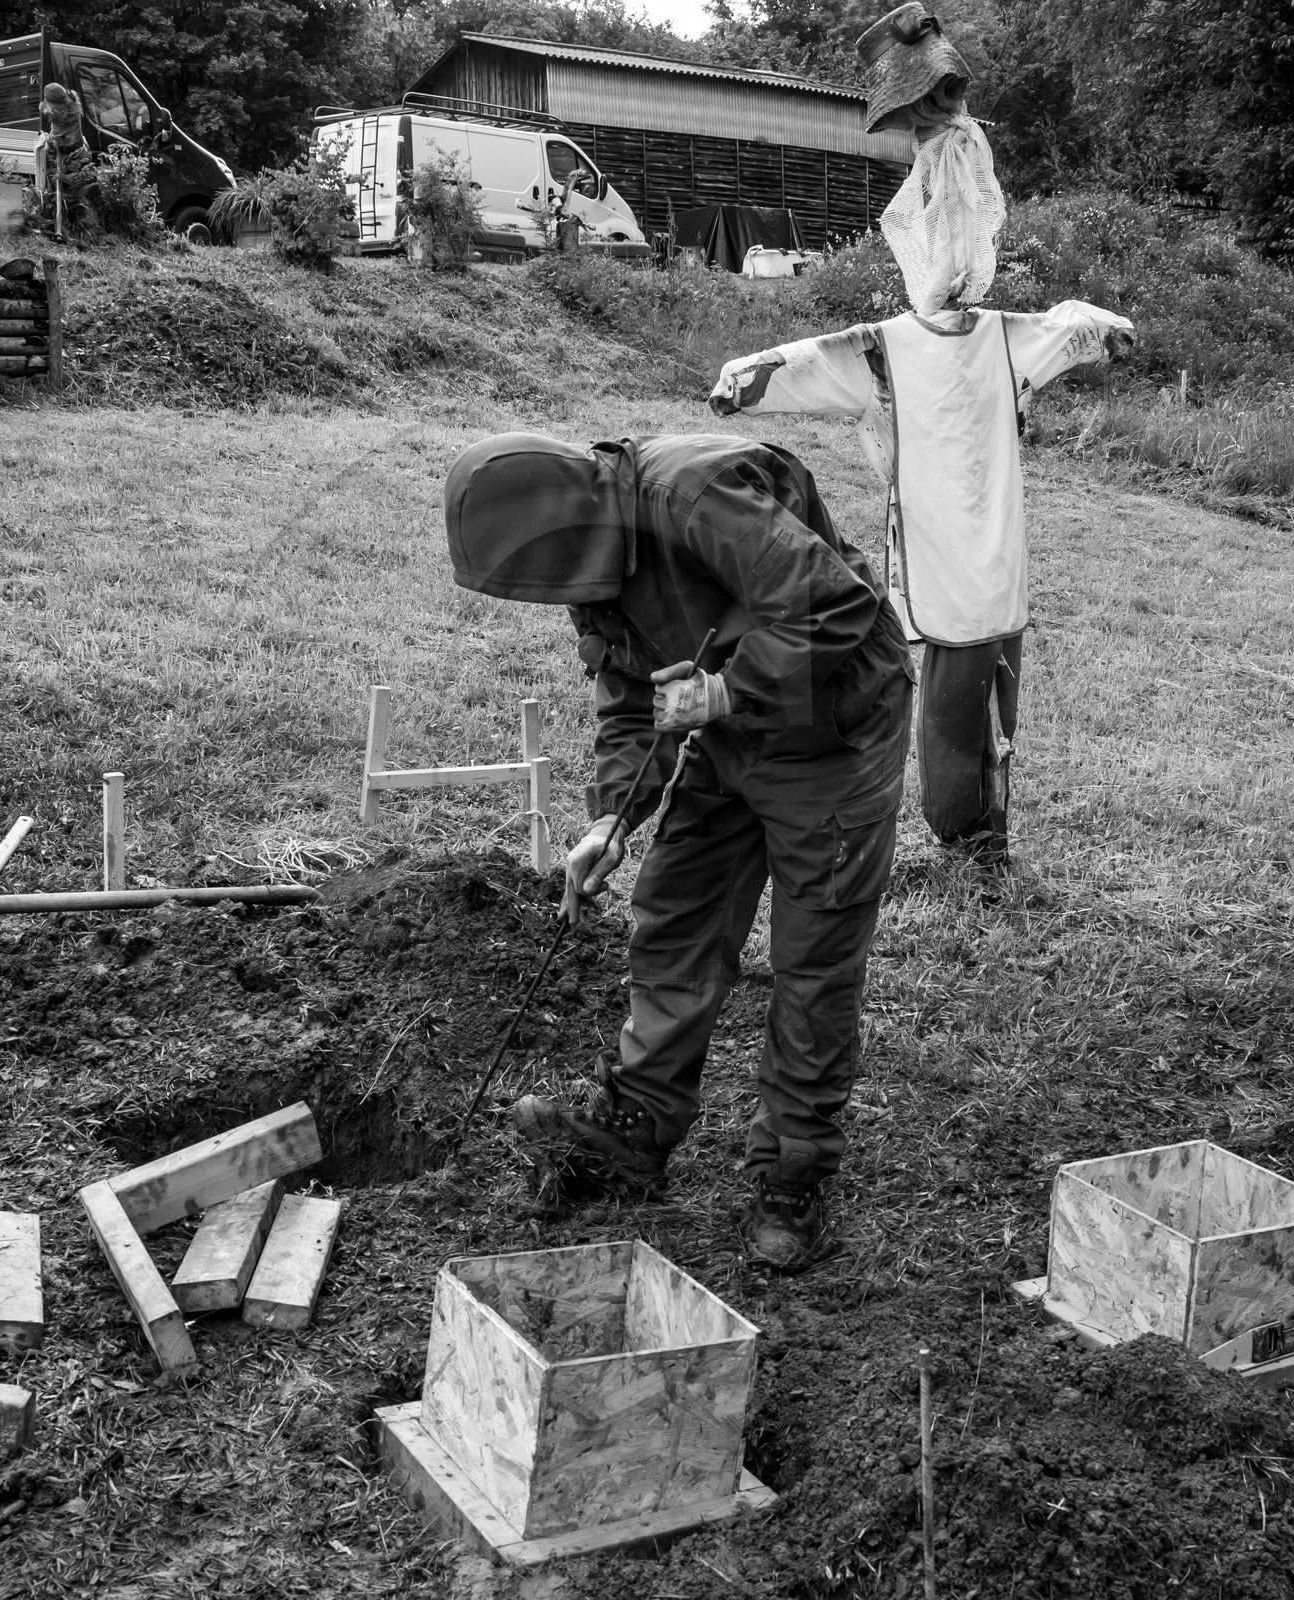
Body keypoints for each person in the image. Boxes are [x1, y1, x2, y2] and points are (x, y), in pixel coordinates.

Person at [445, 432, 914, 1271]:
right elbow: (633, 695)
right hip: (726, 734)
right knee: (674, 916)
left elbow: (836, 604)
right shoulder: (592, 564)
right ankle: (635, 1131)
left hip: (833, 729)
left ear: (583, 516)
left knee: (812, 957)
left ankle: (792, 1173)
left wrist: (729, 690)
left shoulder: (697, 495)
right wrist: (608, 822)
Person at [710, 49, 1133, 866]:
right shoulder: (897, 348)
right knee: (969, 699)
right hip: (964, 576)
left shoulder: (990, 337)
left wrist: (744, 382)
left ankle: (974, 839)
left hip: (982, 577)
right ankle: (972, 837)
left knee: (974, 701)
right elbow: (799, 364)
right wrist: (746, 382)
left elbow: (1082, 331)